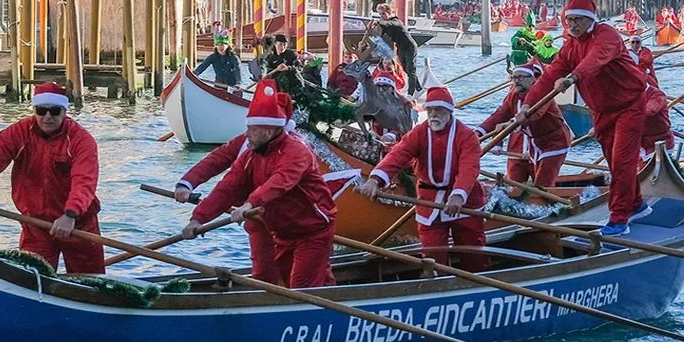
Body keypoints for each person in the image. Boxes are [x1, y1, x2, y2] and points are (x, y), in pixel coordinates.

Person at [180, 81, 340, 287]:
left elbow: (280, 182)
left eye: (252, 129)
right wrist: (198, 219)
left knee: (301, 286)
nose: (247, 134)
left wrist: (250, 204)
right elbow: (228, 186)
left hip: (313, 229)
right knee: (279, 282)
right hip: (280, 230)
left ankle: (330, 308)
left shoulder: (297, 150)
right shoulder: (249, 153)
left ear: (269, 130)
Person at [0, 83, 104, 274]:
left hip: (79, 226)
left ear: (64, 112)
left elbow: (84, 180)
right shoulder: (19, 132)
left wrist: (70, 214)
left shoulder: (81, 140)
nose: (47, 116)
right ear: (34, 110)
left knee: (92, 280)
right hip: (36, 225)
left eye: (54, 111)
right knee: (32, 279)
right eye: (41, 111)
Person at [528, 0, 649, 235]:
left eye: (577, 20)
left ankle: (619, 218)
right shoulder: (570, 46)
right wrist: (527, 107)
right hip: (601, 110)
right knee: (615, 162)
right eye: (569, 20)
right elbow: (549, 75)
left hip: (630, 105)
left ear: (590, 19)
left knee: (623, 161)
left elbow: (596, 58)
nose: (572, 25)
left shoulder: (608, 36)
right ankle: (636, 204)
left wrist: (573, 76)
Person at [363, 86, 488, 271]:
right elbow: (399, 154)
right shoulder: (419, 133)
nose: (433, 115)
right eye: (430, 110)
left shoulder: (466, 136)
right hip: (430, 202)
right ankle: (436, 282)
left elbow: (469, 168)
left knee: (473, 251)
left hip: (465, 201)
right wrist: (376, 179)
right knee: (432, 254)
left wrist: (458, 195)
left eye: (439, 110)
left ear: (449, 111)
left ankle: (478, 281)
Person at [480, 62, 572, 191]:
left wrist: (509, 124)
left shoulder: (542, 94)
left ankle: (546, 202)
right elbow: (499, 115)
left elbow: (534, 115)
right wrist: (478, 133)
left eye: (521, 77)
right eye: (514, 77)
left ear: (533, 79)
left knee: (543, 184)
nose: (516, 81)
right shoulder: (512, 95)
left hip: (555, 141)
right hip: (536, 142)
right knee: (518, 185)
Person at [626, 35, 675, 157]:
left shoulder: (656, 96)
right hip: (642, 144)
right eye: (633, 42)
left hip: (662, 143)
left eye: (637, 42)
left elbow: (649, 110)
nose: (635, 44)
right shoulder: (626, 97)